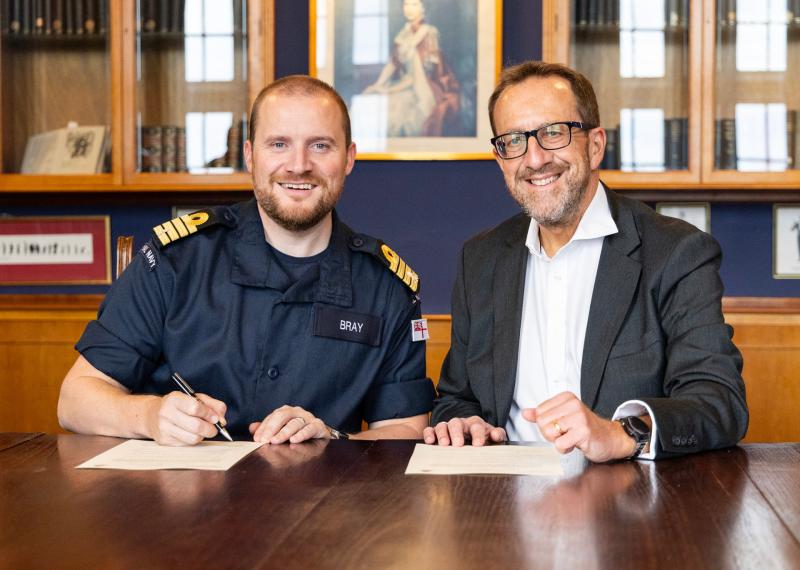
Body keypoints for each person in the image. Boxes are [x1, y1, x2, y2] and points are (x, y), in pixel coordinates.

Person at [58, 75, 435, 446]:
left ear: (349, 158)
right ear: (251, 156)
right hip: (178, 484)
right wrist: (150, 415)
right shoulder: (177, 259)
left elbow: (406, 428)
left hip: (320, 486)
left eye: (320, 146)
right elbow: (75, 400)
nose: (298, 165)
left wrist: (334, 440)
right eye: (279, 144)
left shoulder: (387, 288)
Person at [423, 61, 748, 461]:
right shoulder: (480, 260)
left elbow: (719, 401)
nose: (534, 159)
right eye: (513, 141)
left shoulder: (676, 253)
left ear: (595, 146)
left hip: (627, 493)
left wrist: (621, 433)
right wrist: (464, 422)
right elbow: (457, 398)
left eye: (553, 133)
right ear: (500, 158)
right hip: (504, 492)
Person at [362, 0, 460, 137]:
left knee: (400, 116)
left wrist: (387, 90)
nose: (409, 9)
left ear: (423, 8)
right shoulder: (403, 33)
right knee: (370, 100)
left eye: (414, 4)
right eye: (406, 4)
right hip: (404, 83)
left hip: (423, 88)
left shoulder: (429, 33)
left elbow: (420, 76)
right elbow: (392, 64)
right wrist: (378, 85)